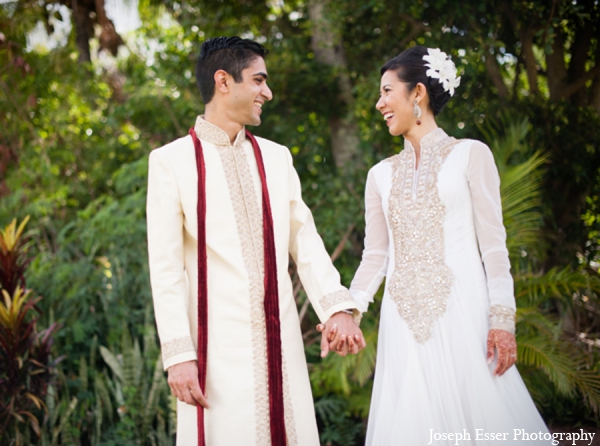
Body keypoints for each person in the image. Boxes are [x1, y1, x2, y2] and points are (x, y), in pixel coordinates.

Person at [146, 36, 364, 446]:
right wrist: (178, 355)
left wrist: (337, 308)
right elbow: (166, 268)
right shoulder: (170, 162)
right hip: (214, 353)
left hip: (282, 345)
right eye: (259, 80)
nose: (268, 92)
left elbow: (305, 238)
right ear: (224, 81)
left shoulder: (277, 157)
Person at [349, 46, 551, 445]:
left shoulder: (471, 155)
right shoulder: (379, 176)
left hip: (465, 311)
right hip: (401, 319)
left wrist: (502, 320)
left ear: (418, 93)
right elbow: (376, 255)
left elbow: (494, 247)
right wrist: (350, 310)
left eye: (387, 91)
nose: (379, 103)